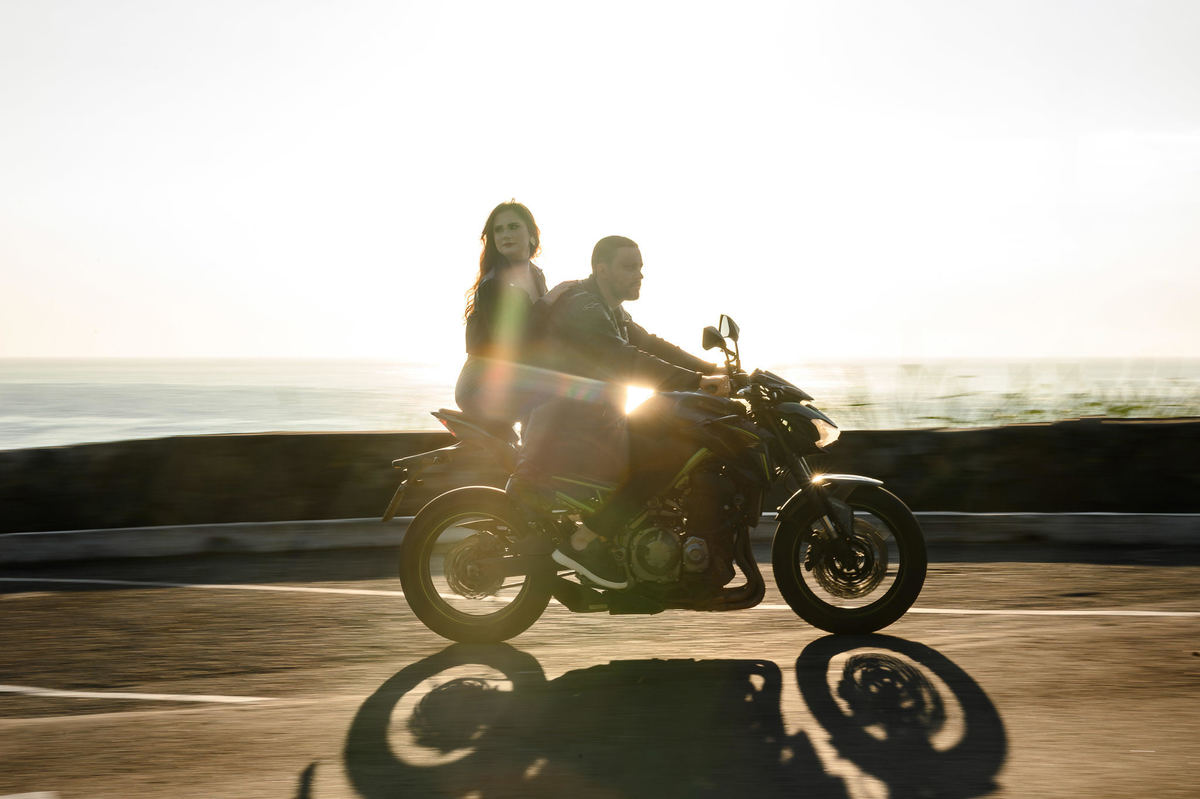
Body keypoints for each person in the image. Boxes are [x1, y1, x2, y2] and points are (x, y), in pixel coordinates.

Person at [512, 235, 730, 589]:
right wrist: (698, 380)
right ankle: (584, 542)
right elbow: (625, 359)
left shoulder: (607, 307)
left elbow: (649, 343)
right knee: (666, 454)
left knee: (672, 429)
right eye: (629, 267)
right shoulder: (583, 308)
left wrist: (713, 371)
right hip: (564, 428)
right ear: (602, 269)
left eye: (640, 267)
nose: (639, 275)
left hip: (586, 420)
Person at [454, 201, 549, 430]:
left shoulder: (536, 275)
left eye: (513, 227)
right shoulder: (494, 285)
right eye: (499, 229)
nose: (505, 234)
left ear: (531, 234)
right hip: (480, 387)